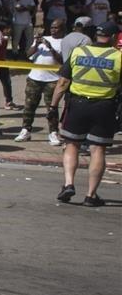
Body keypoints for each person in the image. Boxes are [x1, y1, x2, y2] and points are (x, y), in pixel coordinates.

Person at [52, 21, 120, 207]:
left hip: (77, 105)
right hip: (104, 107)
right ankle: (91, 195)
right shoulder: (118, 57)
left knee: (71, 144)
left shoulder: (78, 52)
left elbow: (63, 83)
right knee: (98, 149)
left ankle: (68, 184)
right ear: (114, 38)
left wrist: (53, 106)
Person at [15, 18, 65, 145]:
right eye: (52, 27)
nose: (53, 30)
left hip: (52, 79)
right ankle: (26, 130)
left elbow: (62, 61)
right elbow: (28, 55)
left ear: (62, 29)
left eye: (56, 27)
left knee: (51, 108)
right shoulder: (42, 40)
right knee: (29, 106)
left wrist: (51, 48)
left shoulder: (63, 42)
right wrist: (36, 44)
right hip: (35, 78)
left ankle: (53, 132)